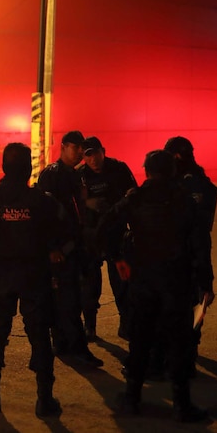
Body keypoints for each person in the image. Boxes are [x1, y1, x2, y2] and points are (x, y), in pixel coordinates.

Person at [97, 150, 214, 422]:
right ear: (172, 171)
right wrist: (205, 282)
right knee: (179, 343)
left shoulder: (135, 198)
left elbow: (104, 226)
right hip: (177, 281)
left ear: (147, 171)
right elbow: (201, 244)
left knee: (140, 341)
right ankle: (182, 405)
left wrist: (117, 257)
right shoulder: (185, 201)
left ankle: (132, 398)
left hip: (144, 280)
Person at [0, 142, 63, 417]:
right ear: (29, 168)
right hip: (35, 276)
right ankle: (44, 399)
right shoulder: (43, 201)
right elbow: (59, 234)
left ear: (3, 167)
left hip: (1, 276)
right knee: (40, 336)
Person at [36, 131, 103, 368]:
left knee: (71, 296)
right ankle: (75, 348)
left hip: (75, 246)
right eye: (75, 148)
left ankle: (63, 344)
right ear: (63, 147)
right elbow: (43, 215)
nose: (79, 154)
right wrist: (52, 247)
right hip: (60, 249)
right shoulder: (51, 175)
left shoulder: (74, 175)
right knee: (68, 299)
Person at [164, 136, 217, 374]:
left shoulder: (176, 182)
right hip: (194, 250)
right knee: (195, 301)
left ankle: (182, 355)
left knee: (185, 303)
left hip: (179, 252)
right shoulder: (200, 180)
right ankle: (187, 352)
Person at [78, 137, 138, 341]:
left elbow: (133, 194)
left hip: (117, 234)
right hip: (92, 237)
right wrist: (89, 203)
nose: (93, 159)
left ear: (103, 151)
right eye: (88, 155)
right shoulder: (80, 175)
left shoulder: (118, 168)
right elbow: (73, 202)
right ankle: (90, 326)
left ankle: (127, 323)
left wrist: (117, 207)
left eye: (95, 153)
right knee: (90, 283)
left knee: (122, 281)